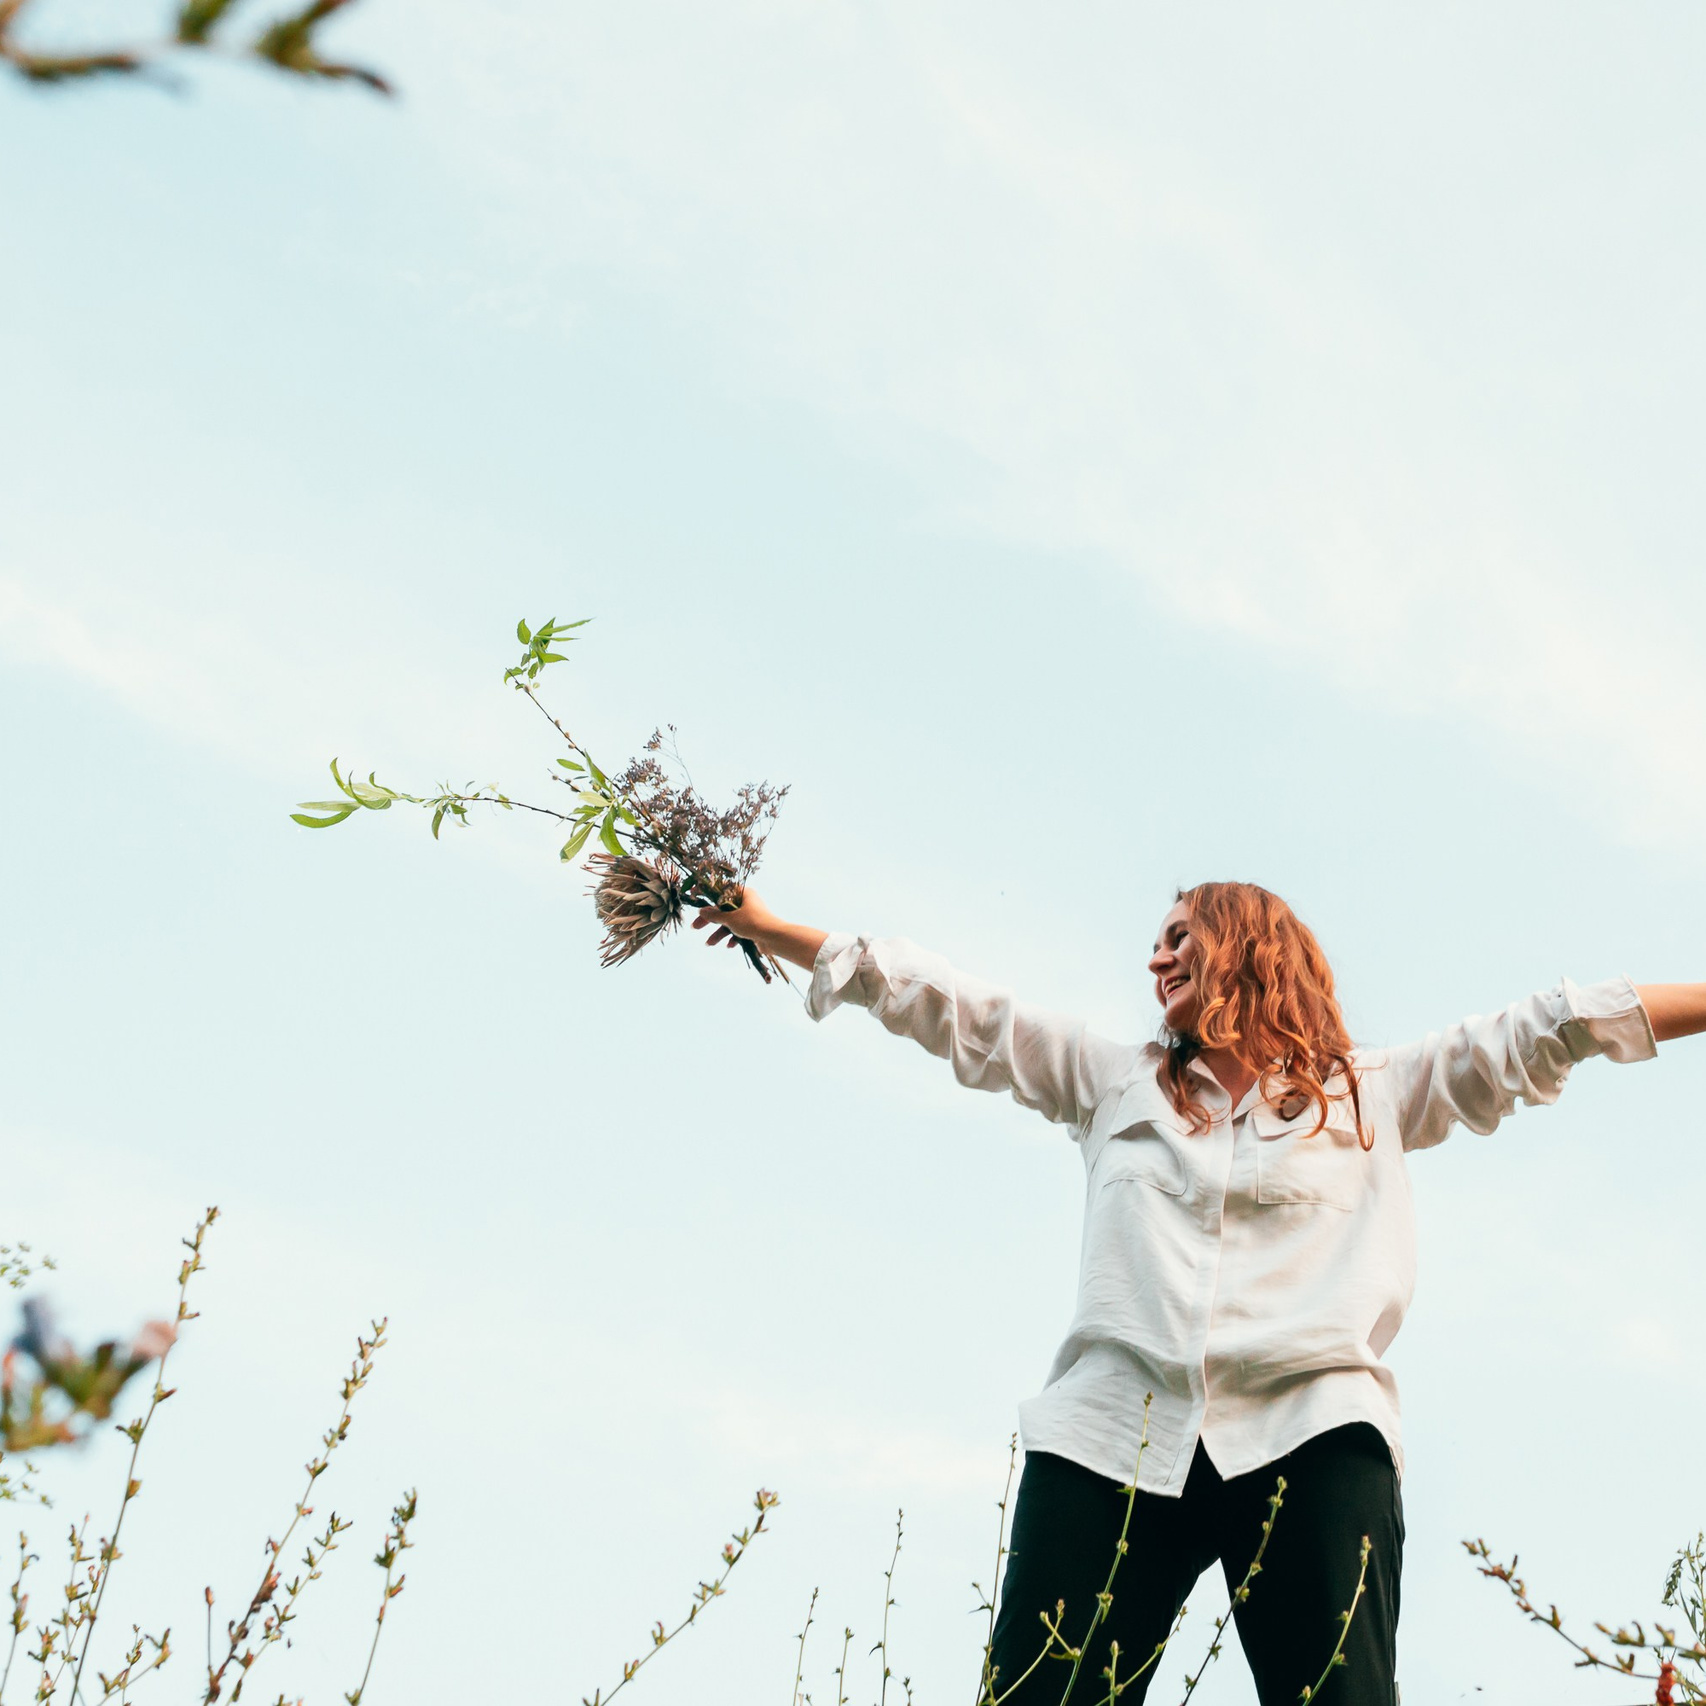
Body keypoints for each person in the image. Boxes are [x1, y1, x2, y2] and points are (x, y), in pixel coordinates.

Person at [692, 880, 1704, 1705]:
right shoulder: (1109, 1078)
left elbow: (1553, 1025)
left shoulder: (1374, 1090)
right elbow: (951, 1005)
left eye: (1177, 935)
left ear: (1245, 947)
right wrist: (768, 923)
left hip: (1310, 1433)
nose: (1155, 957)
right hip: (1109, 1442)